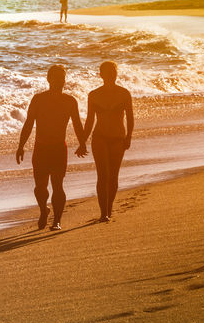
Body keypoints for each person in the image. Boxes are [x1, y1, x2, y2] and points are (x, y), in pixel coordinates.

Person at [16, 65, 87, 230]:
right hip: (41, 148)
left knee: (57, 185)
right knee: (40, 188)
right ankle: (43, 210)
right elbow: (28, 124)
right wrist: (21, 146)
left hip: (58, 149)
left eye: (62, 78)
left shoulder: (69, 101)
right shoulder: (38, 99)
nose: (60, 82)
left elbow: (77, 124)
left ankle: (57, 220)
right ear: (49, 79)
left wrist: (82, 143)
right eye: (56, 78)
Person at [81, 61, 134, 222]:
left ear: (116, 74)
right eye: (107, 72)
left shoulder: (124, 93)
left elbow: (130, 118)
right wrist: (82, 141)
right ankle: (103, 212)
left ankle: (109, 208)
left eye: (113, 72)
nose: (111, 75)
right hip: (100, 137)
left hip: (118, 138)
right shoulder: (94, 94)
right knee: (102, 175)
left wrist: (129, 137)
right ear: (101, 75)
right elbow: (90, 121)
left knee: (113, 176)